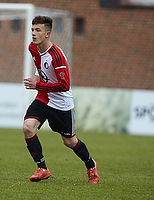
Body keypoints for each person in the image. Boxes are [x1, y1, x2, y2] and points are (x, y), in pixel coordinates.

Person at [23, 15, 99, 184]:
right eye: (32, 30)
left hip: (61, 104)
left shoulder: (57, 56)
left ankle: (90, 164)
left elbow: (64, 85)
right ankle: (42, 168)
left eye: (38, 30)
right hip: (43, 98)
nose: (34, 34)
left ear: (47, 33)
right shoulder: (33, 48)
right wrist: (38, 80)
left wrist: (38, 85)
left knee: (69, 141)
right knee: (28, 128)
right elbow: (40, 68)